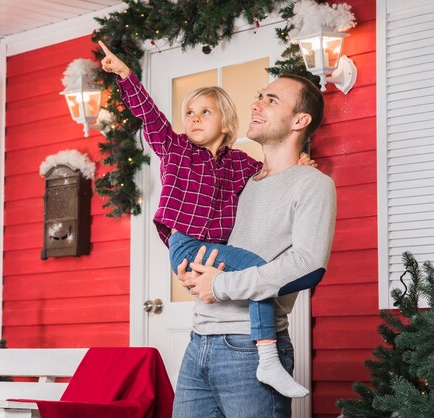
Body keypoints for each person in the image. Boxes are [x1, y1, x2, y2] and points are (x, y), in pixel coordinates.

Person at [98, 40, 317, 399]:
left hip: (215, 250)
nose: (194, 119)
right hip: (185, 243)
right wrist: (125, 75)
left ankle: (265, 356)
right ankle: (268, 356)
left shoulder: (241, 164)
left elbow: (275, 169)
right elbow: (149, 116)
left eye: (205, 112)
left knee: (253, 275)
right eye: (190, 113)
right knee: (256, 269)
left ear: (227, 123)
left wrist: (301, 163)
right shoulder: (177, 149)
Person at [174, 74, 336, 417]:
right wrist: (194, 273)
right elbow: (204, 235)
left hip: (250, 349)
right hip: (199, 341)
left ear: (300, 121)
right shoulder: (238, 181)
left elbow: (308, 265)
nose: (256, 104)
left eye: (272, 100)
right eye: (260, 96)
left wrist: (220, 284)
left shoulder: (312, 184)